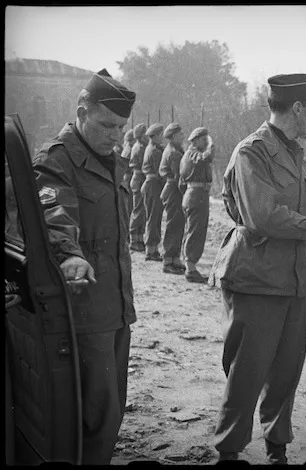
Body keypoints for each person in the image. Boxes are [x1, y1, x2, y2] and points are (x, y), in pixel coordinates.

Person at [208, 73, 306, 464]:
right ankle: (229, 451)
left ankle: (276, 447)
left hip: (291, 280)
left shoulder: (298, 156)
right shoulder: (252, 153)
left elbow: (297, 223)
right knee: (247, 370)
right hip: (255, 278)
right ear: (297, 107)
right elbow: (264, 218)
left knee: (286, 370)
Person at [32, 68, 136, 465]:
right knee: (96, 417)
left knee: (110, 412)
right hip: (83, 309)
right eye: (107, 124)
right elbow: (54, 212)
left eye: (122, 127)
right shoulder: (56, 160)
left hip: (116, 307)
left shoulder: (114, 161)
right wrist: (70, 253)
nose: (116, 135)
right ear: (81, 111)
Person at [178, 127, 215, 283]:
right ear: (197, 140)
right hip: (196, 195)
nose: (206, 141)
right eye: (204, 139)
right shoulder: (193, 153)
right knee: (196, 231)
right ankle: (191, 269)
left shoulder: (189, 154)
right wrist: (211, 145)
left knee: (193, 230)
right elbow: (206, 158)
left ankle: (190, 266)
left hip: (193, 194)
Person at [159, 122, 187, 274]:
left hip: (173, 190)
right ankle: (168, 260)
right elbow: (179, 178)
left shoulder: (174, 150)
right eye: (180, 134)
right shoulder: (174, 153)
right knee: (173, 225)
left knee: (177, 224)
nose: (183, 136)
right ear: (173, 136)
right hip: (174, 191)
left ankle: (174, 258)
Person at [141, 123, 166, 261]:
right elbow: (160, 172)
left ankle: (153, 248)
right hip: (153, 185)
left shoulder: (152, 148)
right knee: (153, 218)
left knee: (154, 217)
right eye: (161, 135)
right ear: (155, 136)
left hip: (152, 185)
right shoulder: (154, 151)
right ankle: (151, 250)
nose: (162, 137)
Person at [129, 122, 148, 252]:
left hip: (139, 179)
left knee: (141, 210)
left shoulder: (140, 146)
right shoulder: (140, 148)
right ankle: (134, 240)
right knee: (138, 210)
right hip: (139, 179)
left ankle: (139, 238)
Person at [121, 129, 136, 217]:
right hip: (128, 177)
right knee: (129, 203)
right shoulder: (129, 150)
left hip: (127, 176)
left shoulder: (127, 148)